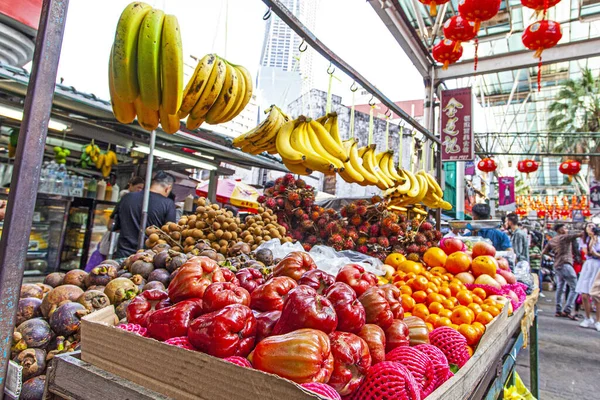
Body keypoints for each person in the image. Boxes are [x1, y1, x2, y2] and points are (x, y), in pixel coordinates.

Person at [112, 171, 176, 259]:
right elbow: (169, 234)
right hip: (148, 259)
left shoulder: (127, 197)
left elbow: (114, 226)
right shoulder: (168, 204)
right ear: (168, 188)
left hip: (123, 255)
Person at [543, 223, 583, 320]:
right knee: (575, 287)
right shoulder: (564, 237)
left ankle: (558, 310)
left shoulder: (552, 240)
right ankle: (567, 310)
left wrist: (554, 255)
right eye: (564, 228)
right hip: (565, 264)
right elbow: (578, 234)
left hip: (557, 265)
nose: (566, 229)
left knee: (560, 288)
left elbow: (544, 252)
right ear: (560, 230)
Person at [576, 224, 600, 329]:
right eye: (589, 226)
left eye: (593, 226)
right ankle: (588, 317)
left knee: (596, 295)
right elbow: (588, 253)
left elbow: (595, 253)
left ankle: (598, 320)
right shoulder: (584, 240)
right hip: (588, 265)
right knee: (584, 294)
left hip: (597, 266)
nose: (591, 228)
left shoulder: (598, 239)